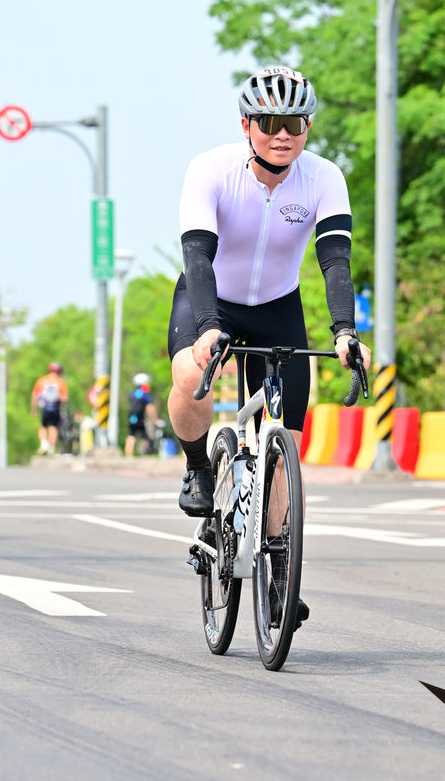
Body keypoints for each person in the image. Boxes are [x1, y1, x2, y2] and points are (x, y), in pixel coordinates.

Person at [166, 65, 372, 628]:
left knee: (286, 448)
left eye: (295, 124)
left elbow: (335, 261)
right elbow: (198, 257)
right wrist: (208, 327)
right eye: (270, 122)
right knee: (191, 376)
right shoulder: (210, 169)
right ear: (246, 125)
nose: (283, 134)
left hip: (279, 307)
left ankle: (279, 572)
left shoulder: (324, 177)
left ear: (308, 128)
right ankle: (198, 467)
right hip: (211, 299)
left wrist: (345, 332)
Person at [31, 362, 68, 455]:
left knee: (43, 425)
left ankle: (44, 444)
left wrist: (34, 409)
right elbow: (65, 398)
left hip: (44, 408)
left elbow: (35, 395)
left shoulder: (42, 380)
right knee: (54, 427)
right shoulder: (61, 382)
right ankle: (51, 448)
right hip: (55, 408)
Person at [125, 373, 159, 456]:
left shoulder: (132, 394)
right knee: (141, 436)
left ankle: (128, 456)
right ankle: (144, 453)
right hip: (139, 418)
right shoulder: (144, 394)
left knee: (132, 435)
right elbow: (150, 407)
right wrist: (156, 419)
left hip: (132, 417)